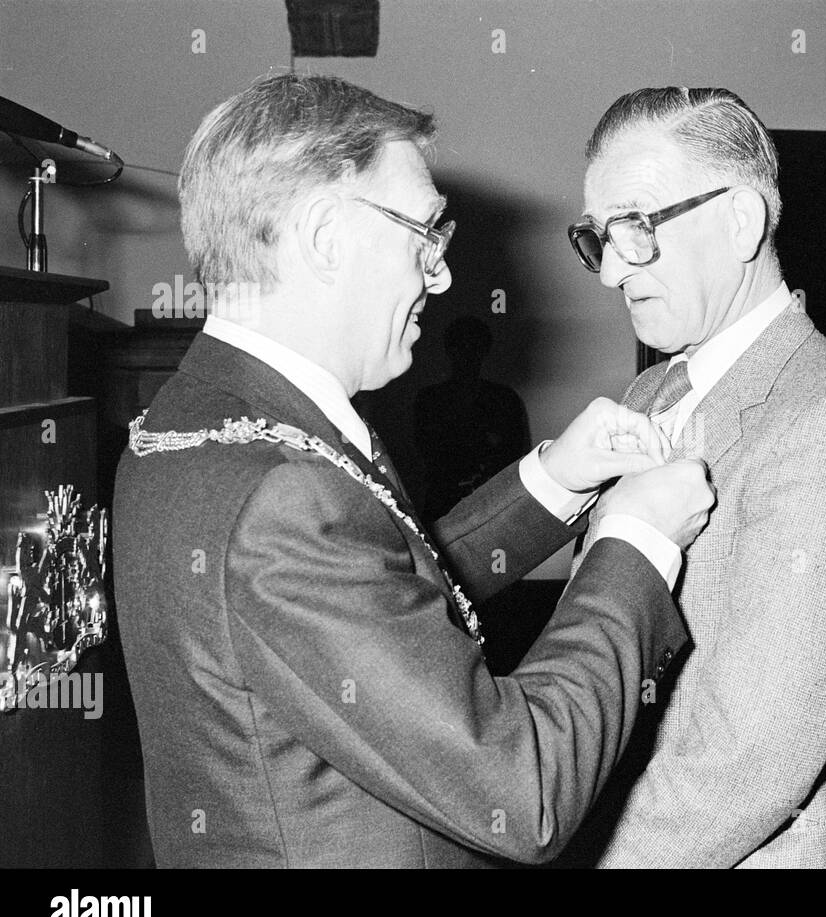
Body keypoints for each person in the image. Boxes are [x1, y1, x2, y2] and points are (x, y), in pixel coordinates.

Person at [112, 74, 715, 868]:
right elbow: (522, 787)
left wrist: (557, 480)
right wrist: (636, 543)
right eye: (423, 234)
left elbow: (382, 589)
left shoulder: (205, 416)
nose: (442, 276)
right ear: (326, 236)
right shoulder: (278, 494)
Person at [561, 87, 826, 868]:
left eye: (638, 228)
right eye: (599, 238)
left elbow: (748, 763)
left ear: (742, 220)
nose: (611, 270)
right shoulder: (649, 391)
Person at [414, 314, 531, 526]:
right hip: (446, 503)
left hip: (492, 501)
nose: (467, 354)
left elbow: (514, 455)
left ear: (484, 351)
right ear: (449, 349)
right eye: (461, 346)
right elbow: (427, 453)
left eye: (474, 346)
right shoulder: (430, 399)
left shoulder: (504, 398)